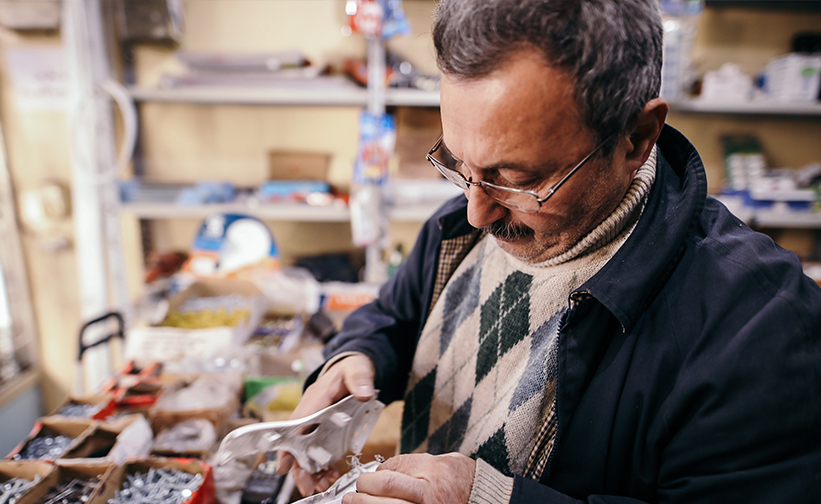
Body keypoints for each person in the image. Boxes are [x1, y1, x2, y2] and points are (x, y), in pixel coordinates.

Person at [278, 0, 821, 502]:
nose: (477, 210)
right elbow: (396, 314)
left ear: (636, 137)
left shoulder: (762, 330)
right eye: (458, 164)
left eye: (516, 179)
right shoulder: (461, 226)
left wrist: (492, 498)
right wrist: (356, 358)